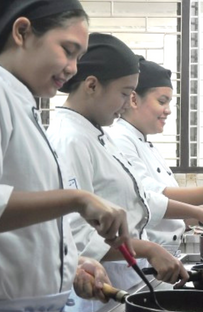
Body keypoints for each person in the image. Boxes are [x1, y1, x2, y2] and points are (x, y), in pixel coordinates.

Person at [46, 33, 203, 311]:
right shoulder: (70, 139)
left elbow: (141, 199)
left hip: (125, 277)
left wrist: (197, 213)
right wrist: (150, 249)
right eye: (124, 94)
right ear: (91, 85)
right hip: (96, 289)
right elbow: (76, 237)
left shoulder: (98, 135)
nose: (127, 104)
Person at [0, 0, 131, 310]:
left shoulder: (21, 102)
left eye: (79, 57)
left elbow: (27, 228)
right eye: (68, 50)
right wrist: (78, 199)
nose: (73, 68)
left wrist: (69, 263)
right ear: (22, 32)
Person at [109, 56, 203, 255]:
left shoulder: (146, 144)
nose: (167, 111)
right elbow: (151, 199)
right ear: (133, 99)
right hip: (147, 255)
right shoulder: (120, 139)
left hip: (163, 255)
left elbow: (173, 210)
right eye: (161, 101)